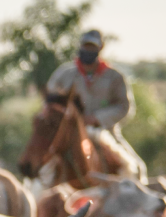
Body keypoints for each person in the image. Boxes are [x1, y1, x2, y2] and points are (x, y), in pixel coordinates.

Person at [46, 28, 146, 179]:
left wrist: (97, 118)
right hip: (69, 135)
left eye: (92, 47)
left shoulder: (114, 77)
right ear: (80, 46)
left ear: (100, 48)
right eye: (86, 46)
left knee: (137, 169)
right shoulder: (64, 74)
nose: (88, 50)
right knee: (43, 170)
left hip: (106, 133)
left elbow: (125, 107)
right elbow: (50, 102)